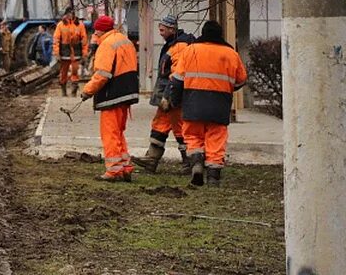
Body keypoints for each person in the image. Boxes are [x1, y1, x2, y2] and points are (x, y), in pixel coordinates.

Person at [168, 20, 247, 187]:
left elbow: (176, 80)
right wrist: (226, 87)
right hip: (220, 103)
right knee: (216, 139)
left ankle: (196, 164)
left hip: (193, 102)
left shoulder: (190, 51)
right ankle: (213, 177)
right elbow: (241, 80)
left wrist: (174, 100)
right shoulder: (231, 54)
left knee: (193, 136)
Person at [132, 15, 195, 174]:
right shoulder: (175, 44)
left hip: (173, 95)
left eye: (162, 30)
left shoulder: (179, 46)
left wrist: (168, 96)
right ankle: (152, 160)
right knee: (160, 125)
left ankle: (189, 162)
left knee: (179, 128)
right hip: (171, 94)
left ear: (171, 29)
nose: (160, 33)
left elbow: (177, 74)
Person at [80, 15, 139, 182]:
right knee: (119, 133)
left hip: (112, 94)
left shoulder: (106, 44)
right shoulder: (123, 40)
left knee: (110, 134)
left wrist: (87, 91)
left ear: (99, 30)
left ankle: (113, 171)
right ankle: (125, 167)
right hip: (127, 92)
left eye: (95, 30)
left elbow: (102, 74)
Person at [52, 7, 89, 96]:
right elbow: (56, 39)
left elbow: (84, 40)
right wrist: (57, 53)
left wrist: (85, 53)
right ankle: (64, 91)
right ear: (65, 14)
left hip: (76, 52)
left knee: (75, 71)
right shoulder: (60, 25)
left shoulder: (79, 25)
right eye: (68, 13)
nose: (70, 15)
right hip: (64, 52)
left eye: (71, 13)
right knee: (63, 72)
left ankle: (74, 91)